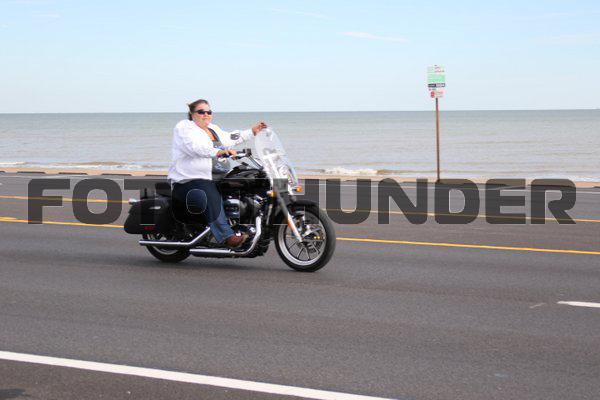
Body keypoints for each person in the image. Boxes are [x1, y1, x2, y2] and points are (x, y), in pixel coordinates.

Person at [168, 99, 267, 248]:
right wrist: (219, 152)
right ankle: (227, 236)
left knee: (251, 182)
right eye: (201, 112)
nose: (206, 114)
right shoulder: (184, 127)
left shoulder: (213, 129)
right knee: (209, 193)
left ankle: (256, 225)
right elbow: (195, 147)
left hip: (216, 177)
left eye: (209, 112)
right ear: (192, 114)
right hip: (189, 180)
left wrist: (252, 132)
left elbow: (230, 138)